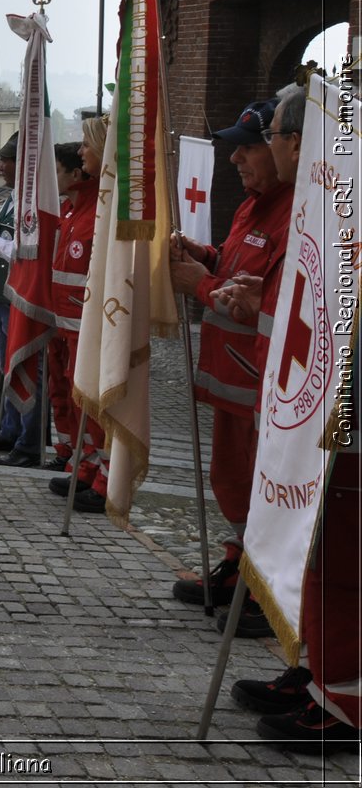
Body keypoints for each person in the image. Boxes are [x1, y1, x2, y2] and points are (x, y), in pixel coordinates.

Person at [222, 86, 361, 753]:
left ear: (299, 144)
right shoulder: (319, 210)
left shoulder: (338, 210)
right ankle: (317, 676)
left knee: (339, 555)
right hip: (306, 421)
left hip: (342, 427)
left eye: (273, 135)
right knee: (313, 554)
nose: (267, 148)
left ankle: (348, 700)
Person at [168, 97, 295, 636]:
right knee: (232, 479)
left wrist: (196, 283)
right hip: (231, 380)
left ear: (280, 147)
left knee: (262, 488)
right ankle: (239, 562)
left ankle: (266, 588)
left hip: (261, 384)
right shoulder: (253, 204)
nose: (234, 160)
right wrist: (201, 253)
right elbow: (236, 262)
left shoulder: (296, 211)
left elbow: (277, 303)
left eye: (246, 148)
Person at [45, 130, 106, 511]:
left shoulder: (97, 211)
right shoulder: (72, 211)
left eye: (87, 145)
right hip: (66, 325)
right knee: (75, 401)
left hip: (88, 326)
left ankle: (104, 478)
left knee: (96, 405)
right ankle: (85, 466)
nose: (82, 151)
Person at [0, 132, 46, 465]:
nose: (1, 166)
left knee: (25, 367)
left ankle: (28, 439)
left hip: (20, 296)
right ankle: (10, 427)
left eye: (6, 160)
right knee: (8, 366)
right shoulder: (12, 196)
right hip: (2, 295)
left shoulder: (33, 201)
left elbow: (25, 249)